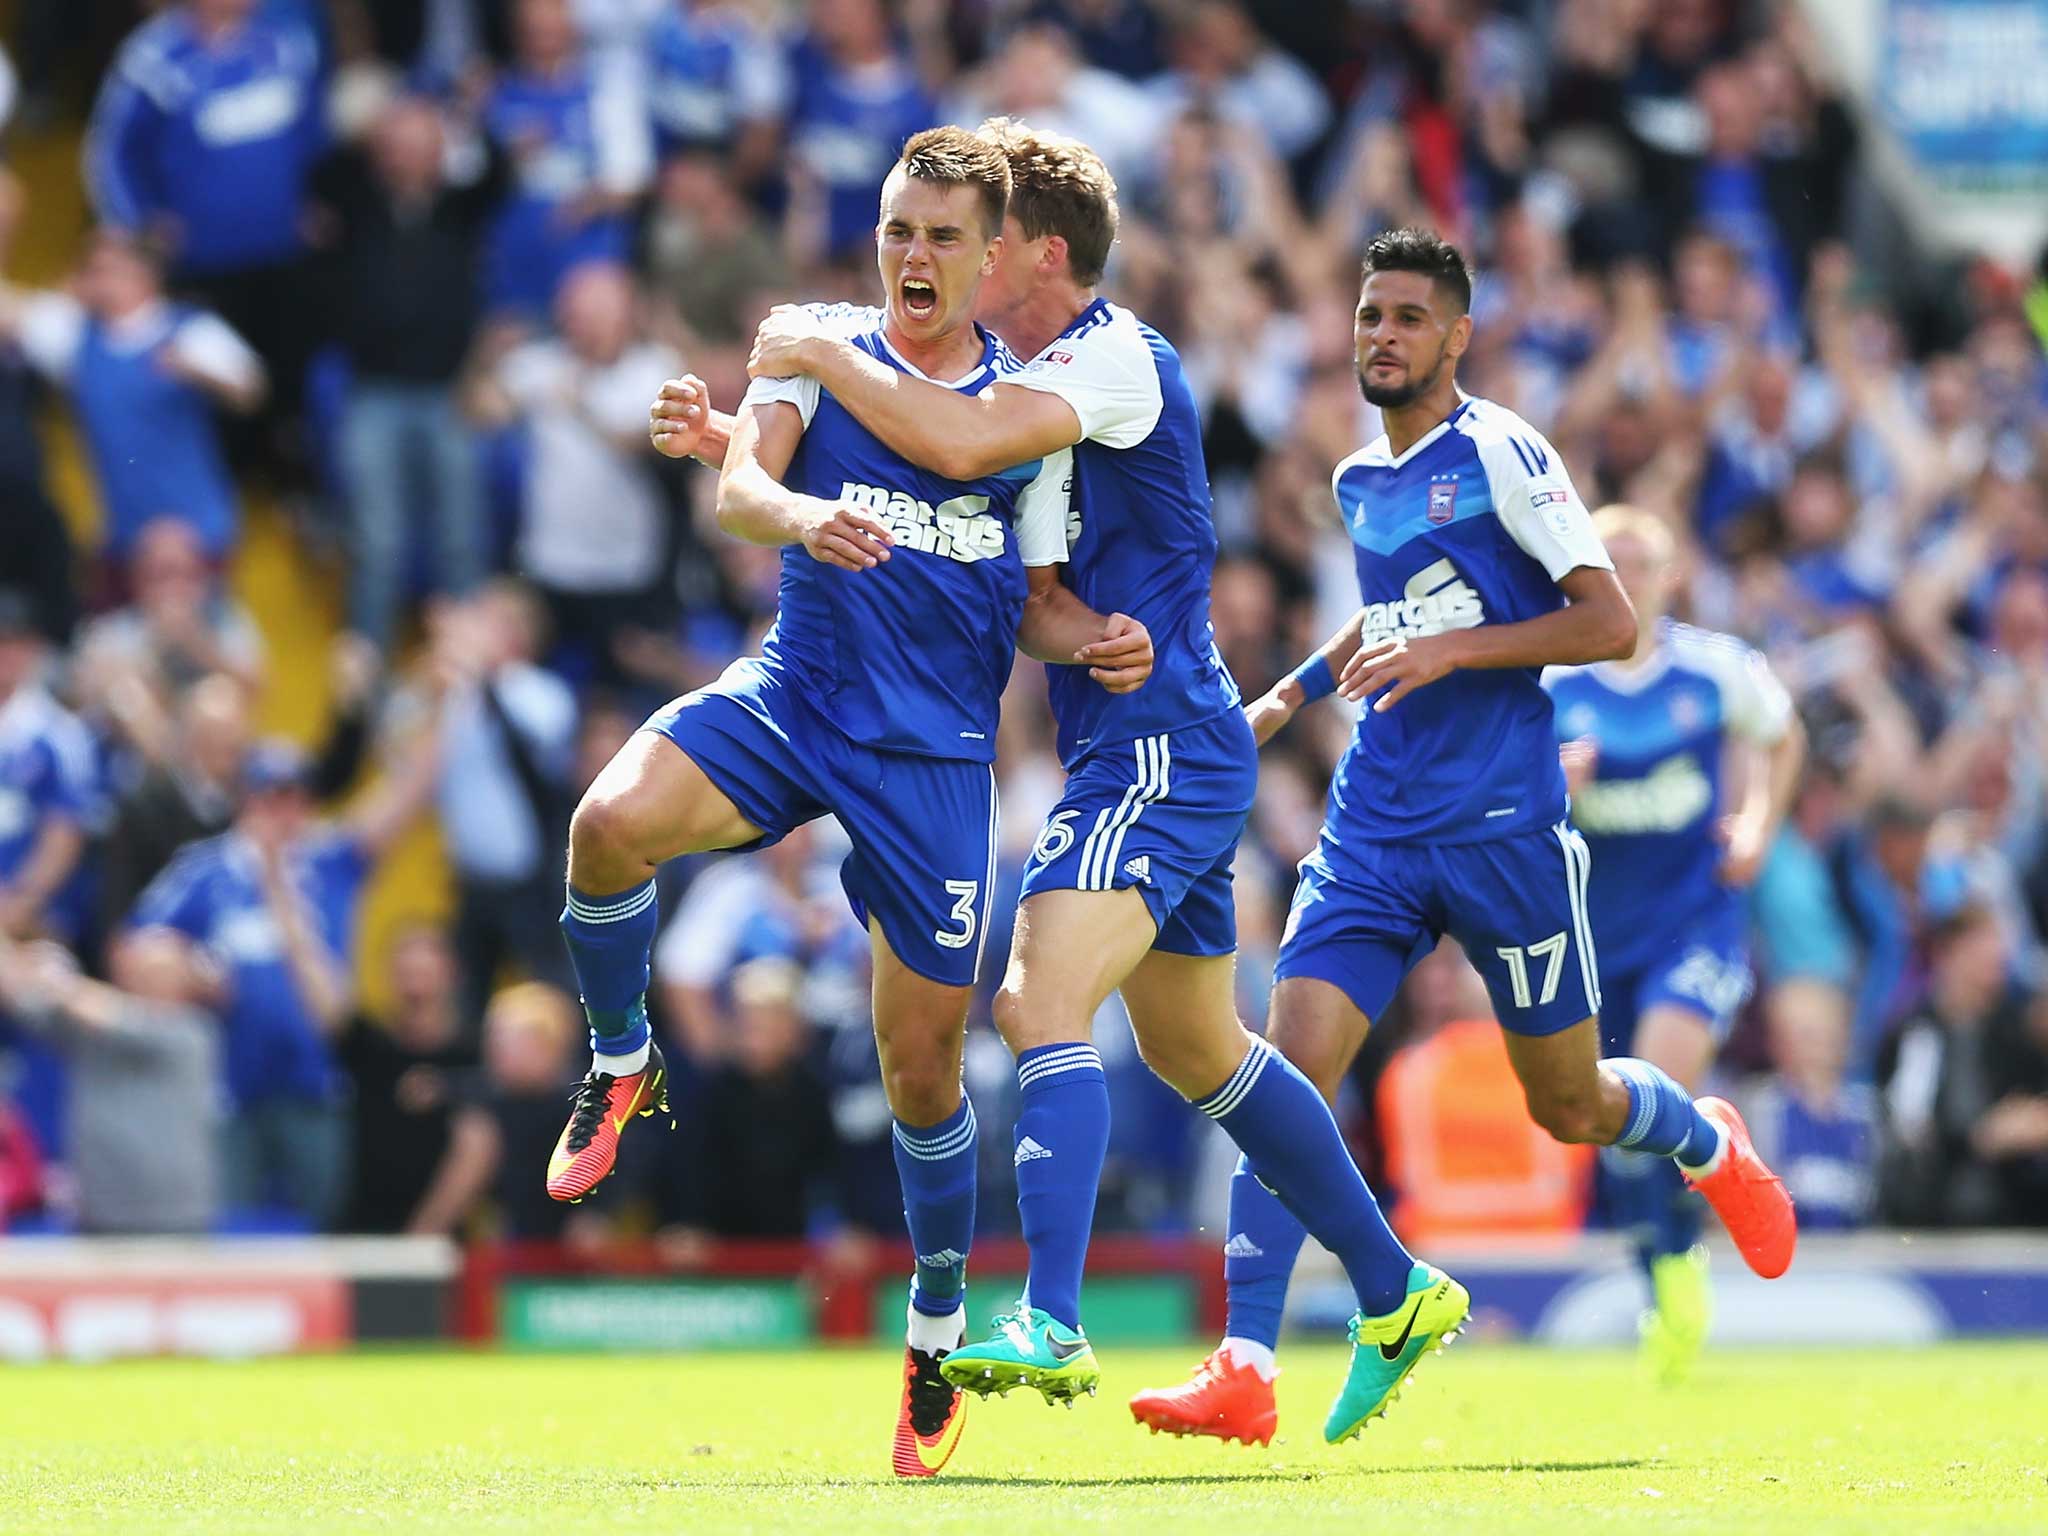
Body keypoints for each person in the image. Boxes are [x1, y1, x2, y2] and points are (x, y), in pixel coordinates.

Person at [734, 120, 1464, 1450]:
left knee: (1032, 996)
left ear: (1038, 253)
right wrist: (1062, 622)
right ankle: (1395, 1287)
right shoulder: (1039, 386)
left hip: (1158, 750)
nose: (958, 262)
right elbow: (1024, 587)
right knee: (1202, 1049)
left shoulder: (1114, 356)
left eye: (984, 240)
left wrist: (821, 348)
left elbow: (953, 446)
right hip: (1133, 735)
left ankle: (1056, 1316)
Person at [537, 127, 1149, 1481]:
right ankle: (625, 1058)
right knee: (604, 826)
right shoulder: (813, 338)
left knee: (920, 1068)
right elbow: (744, 493)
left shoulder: (1021, 414)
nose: (914, 256)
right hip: (793, 699)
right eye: (897, 230)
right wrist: (796, 515)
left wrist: (1093, 633)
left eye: (941, 237)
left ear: (992, 256)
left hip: (932, 764)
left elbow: (1032, 603)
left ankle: (935, 1326)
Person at [1128, 228, 1797, 1445]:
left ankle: (1702, 1135)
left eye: (1404, 317)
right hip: (1376, 826)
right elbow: (1384, 618)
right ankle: (1244, 1359)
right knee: (1276, 1074)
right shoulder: (1354, 480)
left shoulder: (1501, 453)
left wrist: (1447, 653)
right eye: (1367, 315)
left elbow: (1607, 620)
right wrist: (1283, 697)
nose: (1379, 334)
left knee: (1572, 1105)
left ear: (1454, 336)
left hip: (1503, 830)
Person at [1545, 503, 1806, 1380]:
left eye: (1639, 563)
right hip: (1593, 928)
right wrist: (1552, 786)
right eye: (1606, 564)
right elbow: (1506, 794)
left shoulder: (1714, 668)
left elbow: (1781, 733)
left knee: (1656, 1077)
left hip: (1694, 918)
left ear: (1666, 577)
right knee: (1615, 1128)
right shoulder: (1554, 679)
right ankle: (1666, 1272)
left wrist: (1760, 825)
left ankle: (1694, 1233)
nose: (1624, 579)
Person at [0, 929, 222, 1234]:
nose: (145, 979)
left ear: (183, 980)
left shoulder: (190, 1031)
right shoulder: (84, 1025)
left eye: (157, 971)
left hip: (173, 1215)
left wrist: (54, 975)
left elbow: (106, 1013)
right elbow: (15, 991)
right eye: (138, 969)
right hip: (100, 1211)